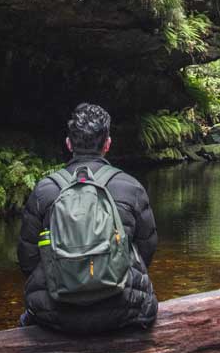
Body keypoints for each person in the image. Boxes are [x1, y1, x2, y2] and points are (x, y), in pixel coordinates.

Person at [17, 103, 158, 334]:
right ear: (108, 144)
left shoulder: (45, 191)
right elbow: (147, 249)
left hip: (55, 312)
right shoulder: (131, 188)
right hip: (123, 308)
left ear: (69, 144)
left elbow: (27, 258)